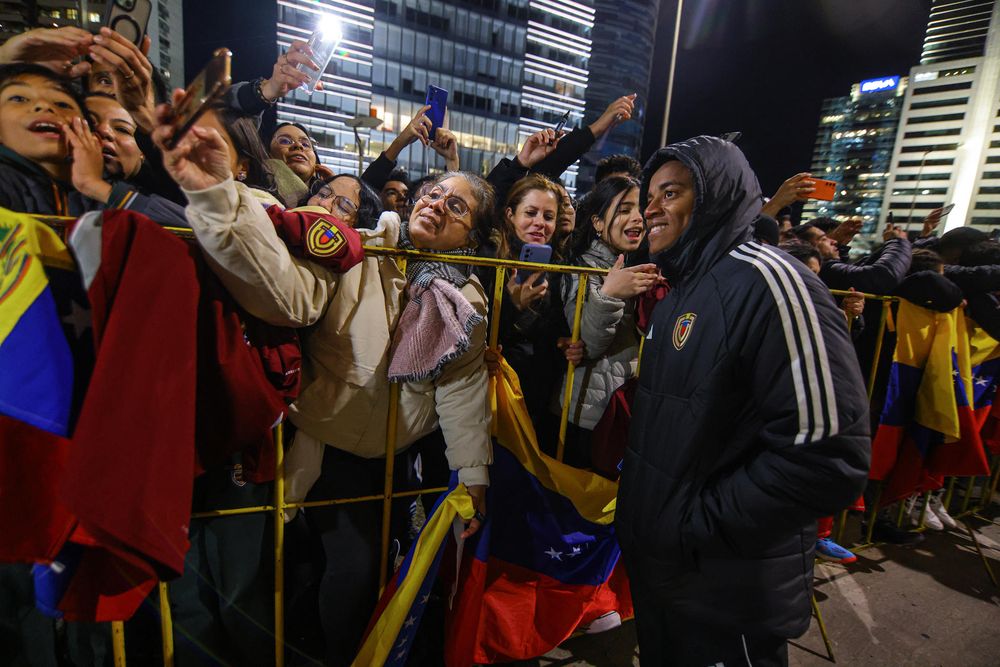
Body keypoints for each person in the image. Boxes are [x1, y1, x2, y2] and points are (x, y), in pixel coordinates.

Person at [154, 97, 493, 663]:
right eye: (433, 193)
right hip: (319, 444)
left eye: (455, 206)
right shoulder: (358, 249)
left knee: (364, 573)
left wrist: (474, 475)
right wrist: (218, 193)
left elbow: (461, 389)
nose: (436, 204)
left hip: (392, 458)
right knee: (303, 568)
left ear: (471, 238)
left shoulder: (467, 300)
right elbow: (289, 297)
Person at [617, 136, 870, 666]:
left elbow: (828, 457)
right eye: (649, 196)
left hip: (726, 589)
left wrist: (694, 526)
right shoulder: (681, 292)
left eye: (671, 193)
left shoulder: (773, 283)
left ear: (716, 197)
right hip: (667, 575)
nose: (651, 209)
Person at [557, 176, 657, 467]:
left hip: (623, 409)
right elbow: (587, 344)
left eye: (640, 209)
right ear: (598, 223)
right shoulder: (581, 268)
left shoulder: (637, 265)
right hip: (586, 415)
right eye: (624, 210)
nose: (637, 218)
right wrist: (609, 294)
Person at [477, 174, 579, 443]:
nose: (540, 223)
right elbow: (474, 334)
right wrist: (512, 305)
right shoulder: (488, 258)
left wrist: (565, 343)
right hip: (487, 396)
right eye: (531, 213)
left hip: (532, 398)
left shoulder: (556, 267)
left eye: (549, 216)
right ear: (510, 215)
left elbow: (551, 333)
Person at [0, 63, 101, 215]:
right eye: (19, 99)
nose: (44, 105)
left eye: (62, 104)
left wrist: (94, 185)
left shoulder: (105, 194)